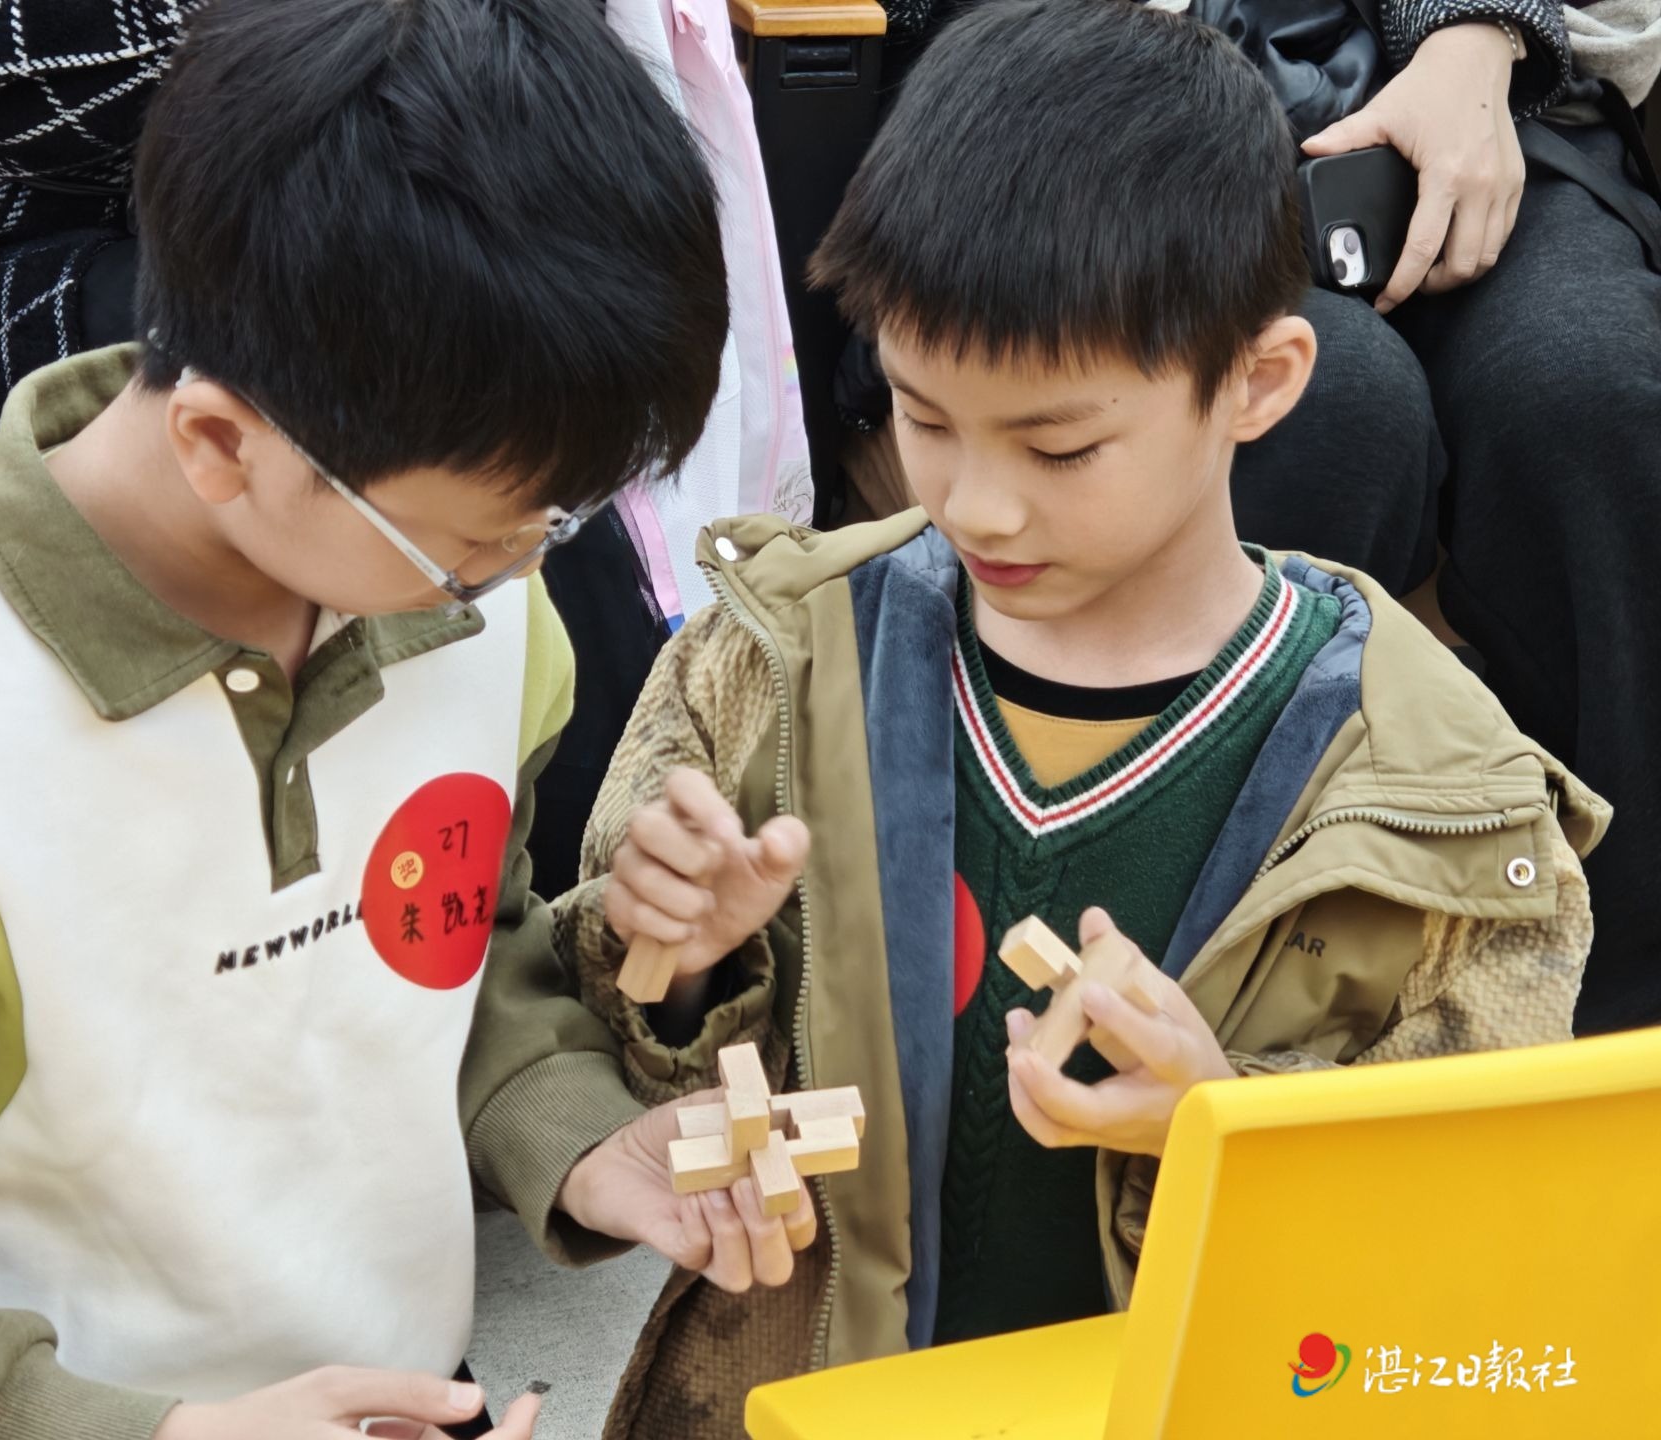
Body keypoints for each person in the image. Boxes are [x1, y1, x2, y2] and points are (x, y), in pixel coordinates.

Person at [0, 1, 803, 1436]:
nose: (519, 575)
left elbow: (452, 955)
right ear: (220, 442)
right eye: (478, 540)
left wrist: (576, 1133)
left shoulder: (481, 620)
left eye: (557, 520)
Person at [554, 3, 1609, 1435]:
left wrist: (1225, 1123)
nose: (978, 504)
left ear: (1259, 382)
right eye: (925, 418)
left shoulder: (1447, 795)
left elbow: (1473, 1253)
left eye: (1059, 446)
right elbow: (610, 1060)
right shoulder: (766, 660)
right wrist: (673, 963)